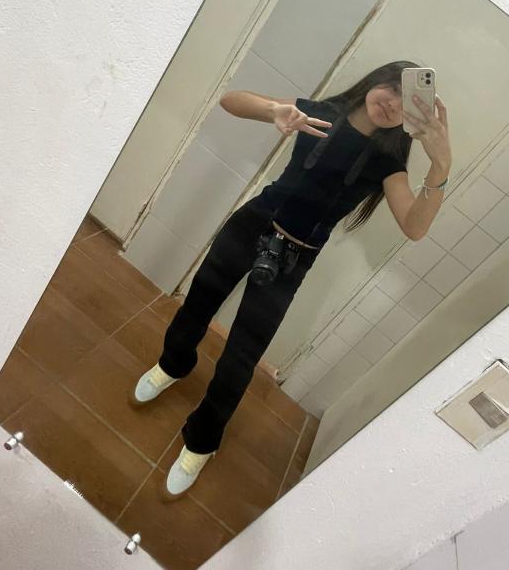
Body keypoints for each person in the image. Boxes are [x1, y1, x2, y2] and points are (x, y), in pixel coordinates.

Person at [130, 61, 452, 499]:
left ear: (412, 116)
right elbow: (230, 101)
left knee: (243, 353)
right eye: (391, 88)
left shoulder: (388, 164)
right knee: (198, 304)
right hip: (251, 225)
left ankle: (203, 439)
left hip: (295, 256)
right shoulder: (316, 112)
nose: (393, 103)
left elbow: (414, 227)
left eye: (406, 102)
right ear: (373, 82)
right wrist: (271, 111)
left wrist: (441, 164)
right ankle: (172, 364)